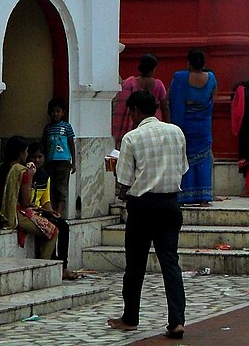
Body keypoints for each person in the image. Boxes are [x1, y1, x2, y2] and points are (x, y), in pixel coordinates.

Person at [108, 89, 189, 340]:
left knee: (135, 265)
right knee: (170, 263)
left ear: (135, 111)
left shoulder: (132, 138)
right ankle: (176, 320)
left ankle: (130, 317)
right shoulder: (176, 132)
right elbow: (182, 167)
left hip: (142, 207)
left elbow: (125, 180)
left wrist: (117, 173)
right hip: (170, 204)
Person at [168, 48, 217, 205]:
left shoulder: (180, 77)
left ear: (188, 62)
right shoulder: (211, 78)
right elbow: (212, 99)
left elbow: (171, 99)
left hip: (184, 124)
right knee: (203, 158)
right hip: (203, 125)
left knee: (184, 157)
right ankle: (204, 197)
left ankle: (184, 195)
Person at [26, 140, 79, 276]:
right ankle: (51, 261)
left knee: (63, 226)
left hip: (41, 212)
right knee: (48, 228)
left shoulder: (45, 176)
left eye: (40, 157)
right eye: (33, 157)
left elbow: (45, 200)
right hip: (28, 212)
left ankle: (62, 265)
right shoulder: (25, 173)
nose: (36, 160)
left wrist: (52, 212)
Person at [0, 136, 57, 259]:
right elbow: (26, 201)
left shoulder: (3, 167)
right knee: (53, 231)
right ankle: (44, 264)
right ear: (21, 154)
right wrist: (30, 177)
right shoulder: (23, 171)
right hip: (17, 213)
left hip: (4, 210)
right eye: (26, 152)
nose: (27, 155)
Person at [113, 53, 171, 146]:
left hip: (135, 121)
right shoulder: (158, 84)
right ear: (153, 69)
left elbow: (122, 105)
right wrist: (168, 125)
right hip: (155, 120)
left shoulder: (129, 82)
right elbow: (165, 106)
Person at [42, 97, 76, 217]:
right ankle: (51, 211)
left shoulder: (67, 127)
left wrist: (73, 162)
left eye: (58, 111)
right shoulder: (48, 128)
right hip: (50, 161)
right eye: (53, 111)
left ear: (63, 112)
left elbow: (72, 144)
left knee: (62, 188)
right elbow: (44, 145)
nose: (55, 114)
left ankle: (59, 212)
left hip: (63, 162)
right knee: (51, 187)